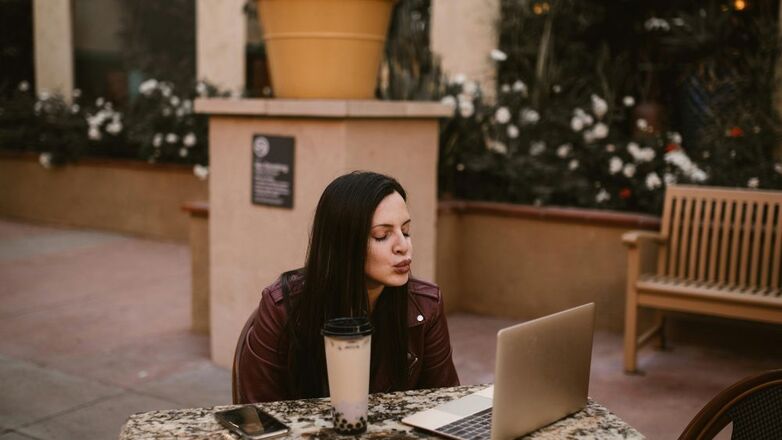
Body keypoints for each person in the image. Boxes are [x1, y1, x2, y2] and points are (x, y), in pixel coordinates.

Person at [236, 171, 460, 403]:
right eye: (382, 235)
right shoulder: (281, 308)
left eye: (405, 231)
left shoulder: (426, 305)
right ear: (344, 243)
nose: (403, 246)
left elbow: (444, 404)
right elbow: (258, 415)